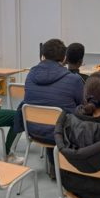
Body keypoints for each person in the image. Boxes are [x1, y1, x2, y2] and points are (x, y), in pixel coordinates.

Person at [22, 38, 84, 176]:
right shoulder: (74, 79)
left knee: (54, 116)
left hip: (33, 130)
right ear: (64, 58)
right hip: (62, 135)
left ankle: (54, 165)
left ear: (43, 56)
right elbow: (82, 108)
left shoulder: (31, 74)